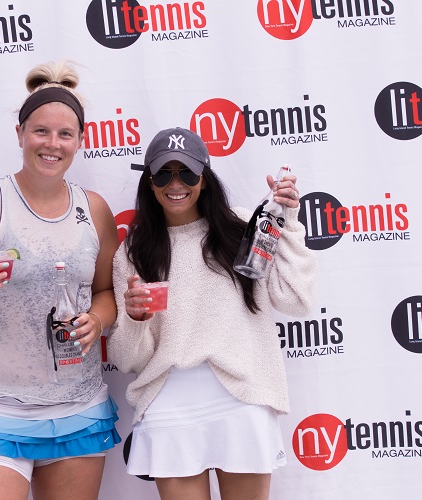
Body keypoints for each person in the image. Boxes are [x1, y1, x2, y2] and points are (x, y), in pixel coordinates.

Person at [0, 61, 120, 500]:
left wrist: (97, 320)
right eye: (40, 131)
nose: (52, 144)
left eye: (65, 134)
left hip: (77, 405)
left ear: (81, 140)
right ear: (19, 134)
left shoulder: (94, 210)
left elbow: (107, 292)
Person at [108, 127, 316, 500]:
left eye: (187, 173)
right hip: (168, 403)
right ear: (149, 182)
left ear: (204, 178)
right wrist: (136, 321)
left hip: (242, 398)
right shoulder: (134, 252)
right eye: (163, 174)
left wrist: (288, 224)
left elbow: (295, 301)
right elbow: (126, 359)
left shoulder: (241, 227)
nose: (176, 184)